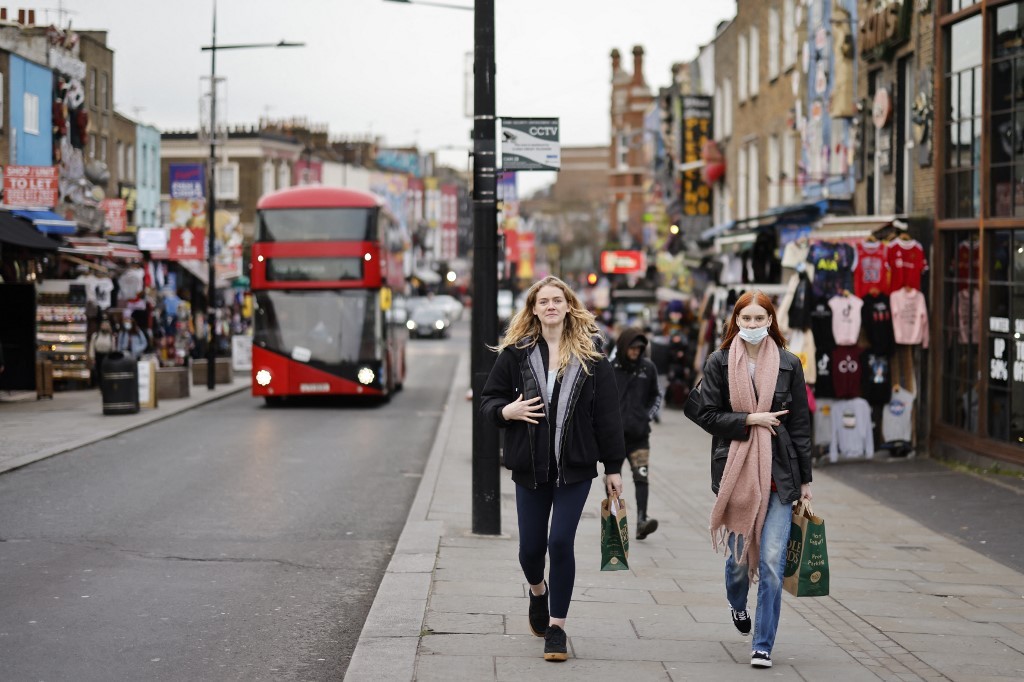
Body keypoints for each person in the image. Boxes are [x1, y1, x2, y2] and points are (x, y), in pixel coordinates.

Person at [480, 275, 626, 663]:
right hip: (529, 467)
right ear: (533, 309)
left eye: (556, 300)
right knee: (531, 549)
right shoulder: (516, 352)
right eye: (542, 301)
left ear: (568, 306)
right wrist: (506, 411)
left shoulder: (592, 354)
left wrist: (614, 467)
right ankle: (538, 591)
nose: (550, 306)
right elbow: (489, 401)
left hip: (575, 468)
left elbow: (608, 415)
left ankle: (557, 628)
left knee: (560, 542)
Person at [695, 290, 813, 670]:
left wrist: (806, 481)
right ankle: (736, 602)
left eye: (759, 320)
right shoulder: (718, 362)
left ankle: (762, 644)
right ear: (736, 322)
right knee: (736, 563)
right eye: (745, 320)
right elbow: (705, 414)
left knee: (773, 561)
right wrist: (750, 420)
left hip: (781, 473)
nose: (752, 326)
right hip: (737, 471)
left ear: (770, 323)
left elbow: (800, 425)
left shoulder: (790, 364)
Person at [611, 327, 662, 540]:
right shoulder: (610, 368)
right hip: (614, 438)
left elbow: (656, 396)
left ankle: (642, 520)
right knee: (613, 481)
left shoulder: (648, 368)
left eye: (639, 349)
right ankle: (614, 523)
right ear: (624, 347)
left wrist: (646, 416)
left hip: (640, 436)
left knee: (641, 477)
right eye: (632, 348)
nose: (635, 352)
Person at [88, 318, 117, 385]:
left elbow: (113, 348)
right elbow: (92, 347)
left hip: (107, 356)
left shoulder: (111, 336)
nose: (104, 327)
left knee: (107, 371)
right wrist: (92, 357)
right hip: (98, 355)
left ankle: (106, 384)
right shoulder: (95, 335)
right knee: (99, 371)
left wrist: (113, 358)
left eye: (106, 325)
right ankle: (100, 384)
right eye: (103, 325)